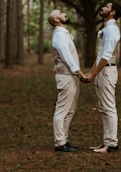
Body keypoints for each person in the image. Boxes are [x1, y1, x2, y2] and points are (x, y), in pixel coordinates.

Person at [84, 1, 121, 153]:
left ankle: (112, 144)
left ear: (112, 12)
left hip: (107, 71)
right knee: (103, 107)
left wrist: (93, 74)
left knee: (108, 107)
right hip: (102, 70)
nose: (103, 8)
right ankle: (106, 142)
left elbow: (106, 56)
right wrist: (91, 72)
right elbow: (100, 54)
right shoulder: (107, 28)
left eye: (107, 7)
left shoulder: (112, 29)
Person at [48, 9, 86, 152]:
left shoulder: (63, 33)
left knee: (70, 110)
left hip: (72, 76)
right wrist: (80, 73)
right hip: (66, 76)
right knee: (62, 110)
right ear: (57, 19)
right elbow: (67, 58)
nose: (65, 14)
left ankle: (63, 139)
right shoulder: (59, 35)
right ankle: (60, 142)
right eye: (61, 13)